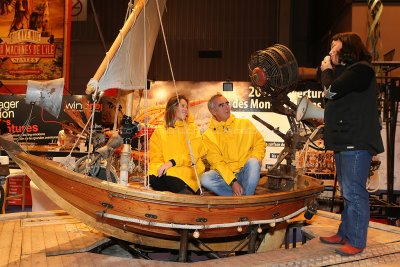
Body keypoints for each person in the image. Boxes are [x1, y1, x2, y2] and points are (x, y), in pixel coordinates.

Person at [319, 32, 384, 256]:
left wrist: (326, 69)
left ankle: (356, 240)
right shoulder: (350, 72)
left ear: (347, 48)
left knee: (354, 192)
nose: (329, 53)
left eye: (334, 48)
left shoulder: (362, 70)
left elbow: (331, 90)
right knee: (347, 190)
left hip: (356, 142)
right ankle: (345, 232)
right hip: (346, 142)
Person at [201, 93, 266, 196]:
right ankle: (242, 198)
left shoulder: (245, 123)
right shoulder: (208, 136)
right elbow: (217, 162)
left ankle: (243, 200)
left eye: (227, 103)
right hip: (227, 177)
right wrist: (233, 182)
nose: (227, 107)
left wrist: (256, 157)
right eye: (221, 105)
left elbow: (259, 143)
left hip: (246, 171)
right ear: (213, 111)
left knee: (253, 162)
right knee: (205, 178)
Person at [149, 95, 205, 194]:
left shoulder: (192, 129)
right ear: (172, 108)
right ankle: (181, 193)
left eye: (186, 107)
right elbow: (156, 157)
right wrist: (161, 167)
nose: (186, 109)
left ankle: (188, 197)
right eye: (182, 106)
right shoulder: (159, 131)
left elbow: (193, 155)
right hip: (168, 172)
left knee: (171, 175)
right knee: (152, 177)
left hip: (188, 170)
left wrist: (172, 162)